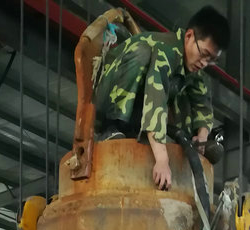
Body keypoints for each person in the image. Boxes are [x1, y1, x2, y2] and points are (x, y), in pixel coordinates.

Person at [92, 6, 229, 190]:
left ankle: (185, 141)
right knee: (143, 53)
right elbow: (155, 97)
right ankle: (113, 126)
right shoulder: (167, 50)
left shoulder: (193, 66)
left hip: (136, 111)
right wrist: (162, 160)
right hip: (105, 98)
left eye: (211, 60)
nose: (204, 63)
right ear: (189, 36)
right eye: (204, 54)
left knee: (185, 89)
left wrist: (202, 136)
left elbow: (202, 102)